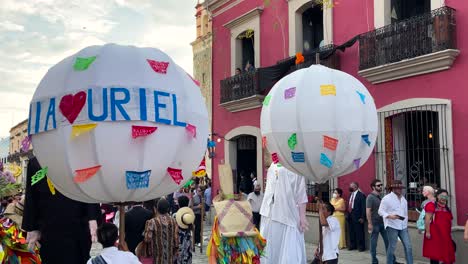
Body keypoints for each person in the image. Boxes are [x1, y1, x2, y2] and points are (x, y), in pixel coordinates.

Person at [22, 157, 101, 264]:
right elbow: (32, 195)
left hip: (77, 226)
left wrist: (92, 217)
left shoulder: (79, 158)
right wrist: (32, 227)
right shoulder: (38, 162)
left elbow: (89, 187)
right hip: (48, 228)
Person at [260, 163, 309, 264]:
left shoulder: (296, 166)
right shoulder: (273, 166)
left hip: (287, 214)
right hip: (270, 213)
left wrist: (302, 217)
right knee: (270, 248)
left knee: (288, 248)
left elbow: (301, 195)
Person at [378, 180, 413, 264]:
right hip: (392, 226)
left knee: (408, 247)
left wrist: (406, 224)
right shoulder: (386, 198)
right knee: (392, 247)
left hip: (403, 226)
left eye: (401, 188)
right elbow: (380, 211)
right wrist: (390, 216)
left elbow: (405, 214)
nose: (400, 190)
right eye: (397, 188)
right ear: (393, 189)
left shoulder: (403, 199)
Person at [423, 189, 456, 264]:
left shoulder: (447, 209)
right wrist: (428, 232)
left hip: (445, 235)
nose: (444, 198)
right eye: (442, 196)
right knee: (434, 255)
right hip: (434, 235)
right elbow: (427, 219)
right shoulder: (431, 205)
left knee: (450, 250)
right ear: (437, 196)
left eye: (445, 196)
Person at [143, 199, 178, 264]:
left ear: (157, 208)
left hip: (158, 256)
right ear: (168, 209)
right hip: (169, 255)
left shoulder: (152, 222)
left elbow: (147, 239)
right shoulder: (173, 221)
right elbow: (176, 239)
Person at [366, 179, 392, 264]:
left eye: (381, 185)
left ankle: (392, 260)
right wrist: (369, 223)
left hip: (383, 223)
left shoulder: (381, 196)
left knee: (388, 242)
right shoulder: (370, 197)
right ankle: (374, 261)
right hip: (375, 223)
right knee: (374, 244)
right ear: (373, 187)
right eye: (378, 185)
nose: (380, 186)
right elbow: (368, 210)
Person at [347, 181, 366, 251]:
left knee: (359, 232)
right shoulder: (350, 195)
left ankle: (361, 246)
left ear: (355, 187)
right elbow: (349, 204)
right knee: (351, 231)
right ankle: (353, 245)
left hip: (358, 217)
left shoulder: (361, 195)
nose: (350, 187)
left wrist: (362, 217)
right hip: (350, 216)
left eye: (351, 186)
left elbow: (363, 207)